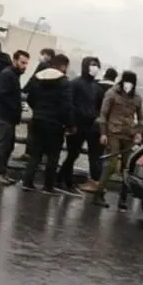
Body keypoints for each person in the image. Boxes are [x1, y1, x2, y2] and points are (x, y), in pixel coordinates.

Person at [20, 54, 72, 194]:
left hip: (37, 120)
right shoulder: (64, 82)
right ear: (63, 66)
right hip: (55, 124)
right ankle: (48, 186)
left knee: (35, 153)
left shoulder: (38, 78)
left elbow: (30, 98)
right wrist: (68, 123)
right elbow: (66, 106)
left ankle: (27, 182)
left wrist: (38, 110)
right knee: (53, 156)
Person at [92, 71, 143, 210]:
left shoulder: (137, 98)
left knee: (128, 167)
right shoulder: (112, 93)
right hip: (113, 133)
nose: (128, 84)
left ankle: (123, 198)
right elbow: (103, 114)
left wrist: (138, 132)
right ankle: (99, 193)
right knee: (111, 164)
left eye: (131, 82)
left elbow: (141, 118)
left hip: (129, 135)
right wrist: (103, 133)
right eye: (126, 81)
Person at [55, 56, 102, 196]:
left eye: (96, 65)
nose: (94, 68)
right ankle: (65, 180)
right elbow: (69, 104)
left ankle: (62, 178)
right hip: (76, 124)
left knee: (78, 154)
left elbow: (99, 106)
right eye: (92, 65)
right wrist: (71, 123)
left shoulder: (97, 87)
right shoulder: (75, 83)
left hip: (90, 126)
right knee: (72, 153)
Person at [0, 50, 30, 184]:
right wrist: (15, 106)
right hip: (5, 116)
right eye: (22, 62)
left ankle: (1, 171)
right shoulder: (8, 75)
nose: (24, 66)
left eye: (26, 63)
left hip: (9, 117)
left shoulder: (13, 75)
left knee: (8, 146)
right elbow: (2, 94)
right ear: (14, 61)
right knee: (3, 146)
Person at [78, 67, 116, 193]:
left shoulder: (96, 87)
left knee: (93, 155)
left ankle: (95, 182)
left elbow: (90, 105)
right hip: (109, 128)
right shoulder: (117, 92)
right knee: (102, 155)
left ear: (105, 75)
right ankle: (99, 182)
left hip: (94, 125)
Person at [19, 47, 56, 161]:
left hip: (38, 105)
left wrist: (24, 90)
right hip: (49, 109)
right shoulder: (54, 69)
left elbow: (34, 80)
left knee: (33, 131)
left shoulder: (43, 66)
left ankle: (30, 154)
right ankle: (41, 155)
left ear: (47, 56)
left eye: (42, 54)